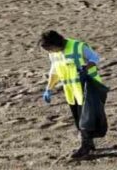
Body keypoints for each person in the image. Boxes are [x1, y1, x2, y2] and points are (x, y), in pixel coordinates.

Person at [40, 30, 105, 159]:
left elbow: (95, 57)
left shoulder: (78, 46)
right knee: (78, 118)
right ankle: (89, 143)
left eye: (50, 48)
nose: (49, 52)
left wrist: (87, 67)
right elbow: (54, 71)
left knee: (85, 119)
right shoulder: (54, 54)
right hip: (71, 90)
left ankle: (85, 146)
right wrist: (49, 88)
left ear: (56, 43)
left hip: (87, 87)